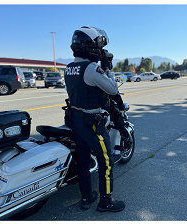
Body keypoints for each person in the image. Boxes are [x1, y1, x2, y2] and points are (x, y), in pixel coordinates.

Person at [64, 26, 125, 212]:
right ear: (89, 45)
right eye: (98, 44)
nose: (100, 49)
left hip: (75, 120)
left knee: (83, 159)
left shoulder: (69, 67)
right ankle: (106, 201)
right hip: (92, 123)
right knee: (106, 161)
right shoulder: (91, 68)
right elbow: (113, 89)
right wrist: (107, 68)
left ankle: (86, 197)